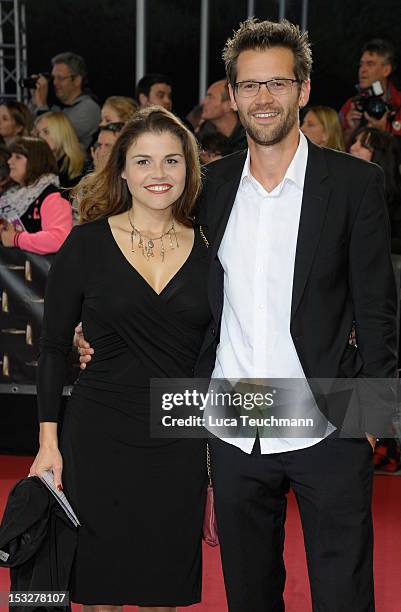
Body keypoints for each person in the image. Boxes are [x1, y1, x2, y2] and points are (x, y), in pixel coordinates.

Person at [78, 19, 397, 612]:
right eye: (248, 86)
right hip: (235, 422)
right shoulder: (209, 187)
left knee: (344, 594)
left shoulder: (355, 184)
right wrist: (91, 328)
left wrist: (373, 424)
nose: (263, 98)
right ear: (233, 92)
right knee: (249, 594)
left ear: (303, 90)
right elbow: (150, 265)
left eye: (277, 83)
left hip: (329, 418)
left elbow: (378, 309)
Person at [28, 107, 210, 610]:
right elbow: (51, 347)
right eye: (144, 161)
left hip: (179, 434)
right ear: (123, 170)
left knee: (163, 591)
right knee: (99, 590)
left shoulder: (212, 249)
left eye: (172, 160)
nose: (159, 174)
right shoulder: (87, 244)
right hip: (98, 432)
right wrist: (49, 444)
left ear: (188, 170)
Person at [0, 137, 72, 254]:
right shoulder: (12, 193)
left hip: (39, 270)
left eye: (17, 157)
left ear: (35, 162)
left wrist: (16, 239)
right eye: (11, 156)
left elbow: (59, 239)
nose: (9, 161)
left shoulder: (52, 196)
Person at [30, 52, 101, 150]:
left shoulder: (89, 108)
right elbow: (28, 131)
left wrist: (41, 105)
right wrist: (34, 101)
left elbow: (56, 137)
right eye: (53, 78)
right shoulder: (55, 108)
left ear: (77, 80)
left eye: (60, 78)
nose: (55, 83)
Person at [339, 39, 401, 145]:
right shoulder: (352, 105)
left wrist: (383, 132)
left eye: (370, 64)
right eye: (361, 64)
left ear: (386, 70)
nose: (363, 70)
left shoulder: (399, 104)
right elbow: (336, 149)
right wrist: (350, 130)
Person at [350, 126, 401, 253]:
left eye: (363, 146)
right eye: (354, 142)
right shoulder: (342, 186)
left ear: (380, 155)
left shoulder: (394, 201)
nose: (353, 148)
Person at [34, 111, 86, 188]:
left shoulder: (82, 167)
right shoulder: (39, 163)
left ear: (61, 133)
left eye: (46, 132)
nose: (40, 137)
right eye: (38, 133)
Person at [199, 79, 247, 152]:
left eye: (210, 97)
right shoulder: (201, 139)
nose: (203, 102)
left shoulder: (249, 139)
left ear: (228, 105)